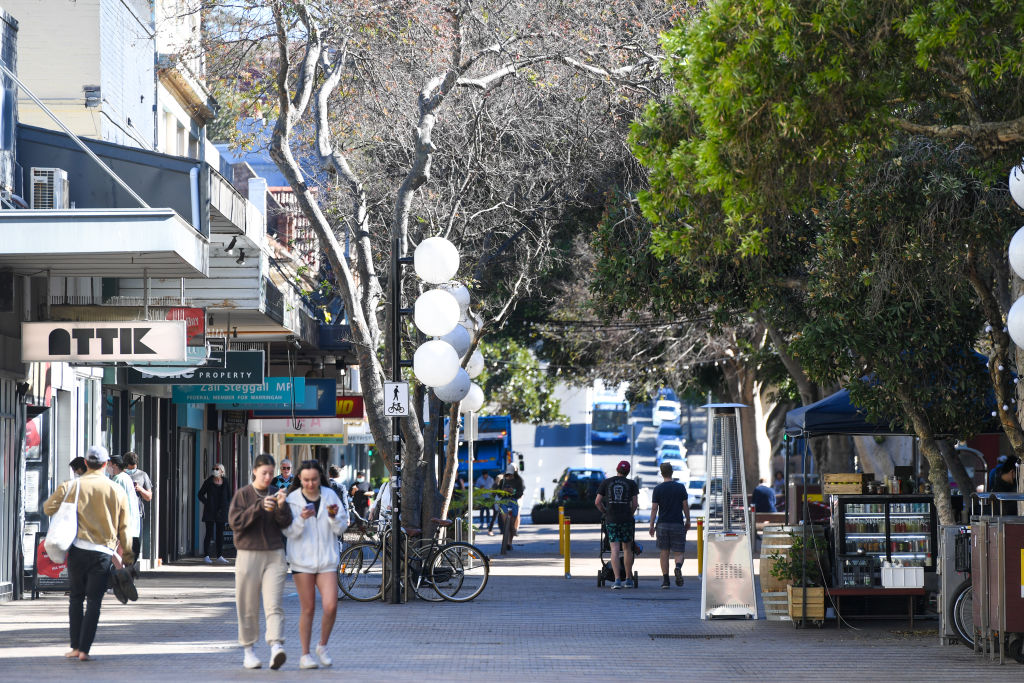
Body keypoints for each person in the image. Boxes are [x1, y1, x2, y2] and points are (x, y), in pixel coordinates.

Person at [42, 445, 134, 662]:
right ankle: (84, 650)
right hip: (102, 553)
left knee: (75, 598)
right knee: (94, 601)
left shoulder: (72, 486)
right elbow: (125, 528)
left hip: (77, 551)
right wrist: (128, 555)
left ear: (85, 463)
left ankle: (74, 647)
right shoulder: (116, 490)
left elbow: (48, 508)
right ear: (105, 464)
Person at [228, 453, 293, 670]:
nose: (268, 477)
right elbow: (235, 523)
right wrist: (257, 507)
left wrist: (282, 507)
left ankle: (276, 647)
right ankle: (249, 650)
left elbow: (286, 523)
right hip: (248, 554)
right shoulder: (243, 494)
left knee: (274, 603)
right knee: (247, 604)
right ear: (255, 471)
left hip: (275, 554)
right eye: (264, 473)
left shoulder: (277, 493)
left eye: (271, 473)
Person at [283, 461, 349, 669]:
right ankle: (305, 654)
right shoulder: (292, 499)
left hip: (326, 559)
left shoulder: (330, 495)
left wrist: (333, 517)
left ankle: (322, 645)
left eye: (314, 479)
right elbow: (289, 532)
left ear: (320, 478)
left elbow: (341, 527)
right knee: (308, 608)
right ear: (300, 480)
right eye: (306, 480)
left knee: (331, 605)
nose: (310, 484)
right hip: (302, 560)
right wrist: (301, 519)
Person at [595, 460, 639, 589]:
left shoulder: (606, 482)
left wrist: (605, 512)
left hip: (611, 519)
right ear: (628, 472)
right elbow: (635, 504)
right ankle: (629, 579)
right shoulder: (631, 484)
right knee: (627, 549)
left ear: (617, 469)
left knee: (614, 549)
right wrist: (629, 514)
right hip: (626, 520)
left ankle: (617, 580)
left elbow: (597, 502)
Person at [649, 462, 690, 589]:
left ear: (662, 474)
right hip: (677, 523)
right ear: (672, 472)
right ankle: (678, 567)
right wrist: (688, 520)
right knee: (679, 552)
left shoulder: (658, 489)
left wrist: (651, 525)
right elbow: (685, 506)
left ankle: (666, 581)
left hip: (662, 524)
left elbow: (654, 509)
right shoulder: (680, 488)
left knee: (664, 552)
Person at [107, 455, 141, 567]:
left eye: (109, 464)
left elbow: (116, 504)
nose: (107, 467)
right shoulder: (126, 478)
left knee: (117, 556)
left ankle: (123, 581)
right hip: (131, 525)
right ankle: (124, 580)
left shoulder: (118, 479)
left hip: (123, 525)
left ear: (115, 465)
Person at [198, 464, 233, 565]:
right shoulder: (208, 481)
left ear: (222, 471)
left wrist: (226, 506)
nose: (214, 470)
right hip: (210, 510)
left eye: (217, 469)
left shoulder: (225, 482)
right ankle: (206, 555)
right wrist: (207, 502)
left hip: (221, 511)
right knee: (209, 533)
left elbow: (229, 496)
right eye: (213, 469)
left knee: (219, 533)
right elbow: (200, 494)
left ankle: (219, 556)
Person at [122, 451, 152, 567]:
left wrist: (140, 489)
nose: (131, 470)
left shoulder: (142, 475)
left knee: (135, 542)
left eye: (134, 468)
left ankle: (130, 565)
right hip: (123, 513)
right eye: (129, 468)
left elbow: (149, 497)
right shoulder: (121, 476)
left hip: (137, 514)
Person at [492, 464, 525, 547]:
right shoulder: (503, 481)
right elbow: (498, 493)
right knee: (506, 523)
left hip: (514, 500)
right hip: (504, 501)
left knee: (514, 516)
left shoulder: (519, 481)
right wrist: (503, 491)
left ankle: (510, 539)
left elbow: (520, 493)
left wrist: (512, 491)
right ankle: (507, 538)